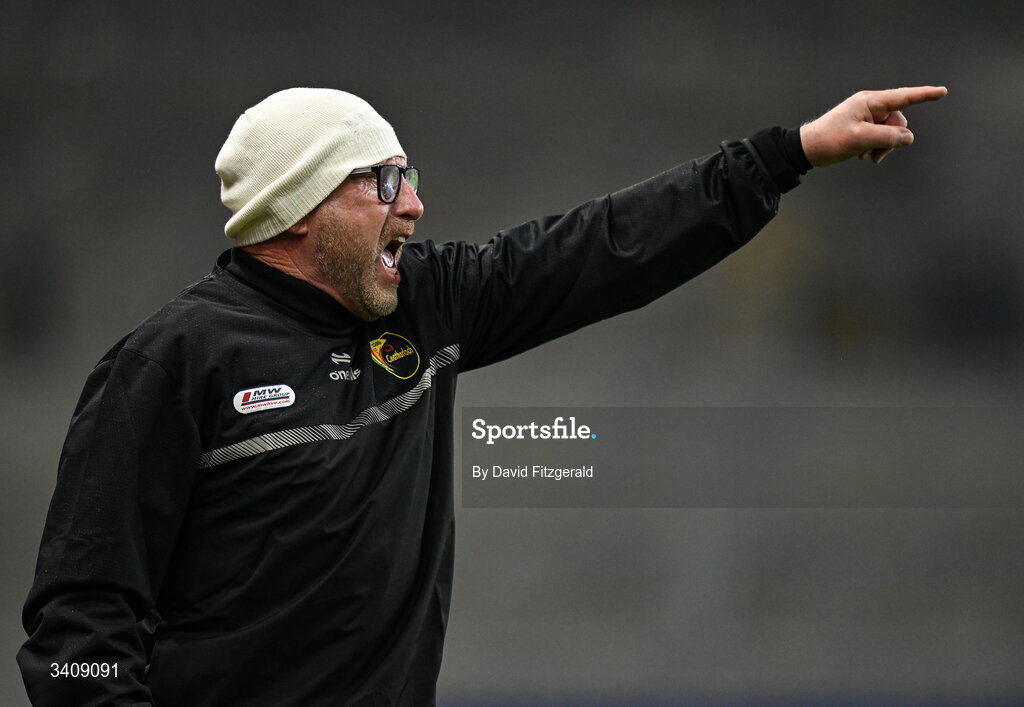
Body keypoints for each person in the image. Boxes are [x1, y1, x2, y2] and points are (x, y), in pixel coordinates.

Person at [17, 85, 947, 706]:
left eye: (409, 178)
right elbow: (78, 628)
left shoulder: (425, 307)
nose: (413, 205)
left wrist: (785, 154)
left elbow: (603, 248)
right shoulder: (172, 362)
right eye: (384, 180)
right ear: (299, 206)